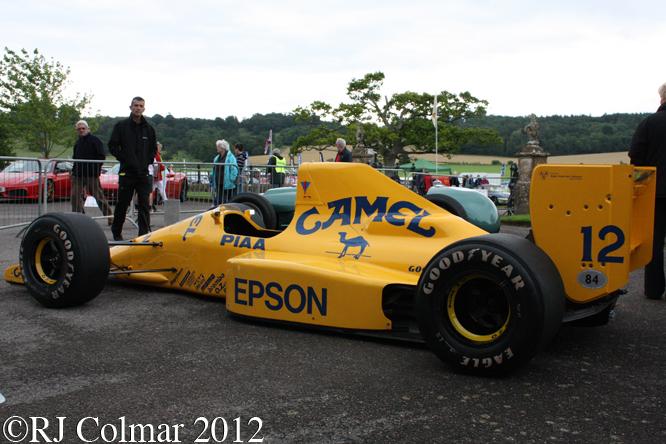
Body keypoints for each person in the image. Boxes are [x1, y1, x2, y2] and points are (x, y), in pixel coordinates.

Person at [628, 81, 666, 300]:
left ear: (661, 98)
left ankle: (654, 289)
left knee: (655, 241)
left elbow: (636, 157)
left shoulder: (650, 123)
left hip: (656, 193)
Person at [108, 96, 157, 241]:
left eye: (141, 106)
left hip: (143, 174)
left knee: (144, 205)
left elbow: (153, 149)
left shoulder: (149, 129)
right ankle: (116, 232)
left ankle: (143, 234)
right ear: (130, 107)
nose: (138, 108)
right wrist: (124, 158)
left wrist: (147, 160)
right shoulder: (121, 126)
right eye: (136, 105)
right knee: (122, 204)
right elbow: (112, 146)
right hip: (127, 173)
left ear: (144, 109)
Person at [70, 120, 114, 224]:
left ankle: (109, 215)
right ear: (76, 131)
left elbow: (101, 156)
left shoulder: (95, 140)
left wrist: (95, 169)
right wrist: (73, 171)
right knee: (75, 195)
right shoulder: (78, 142)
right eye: (79, 129)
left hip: (91, 174)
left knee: (98, 195)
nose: (81, 130)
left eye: (83, 128)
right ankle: (78, 217)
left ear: (88, 129)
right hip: (78, 174)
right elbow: (75, 158)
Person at [211, 140, 237, 205]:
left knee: (228, 202)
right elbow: (214, 169)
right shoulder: (216, 158)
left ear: (223, 148)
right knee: (219, 202)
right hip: (219, 183)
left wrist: (231, 179)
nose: (217, 148)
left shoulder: (230, 157)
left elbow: (234, 168)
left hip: (228, 184)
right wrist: (212, 176)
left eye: (219, 146)